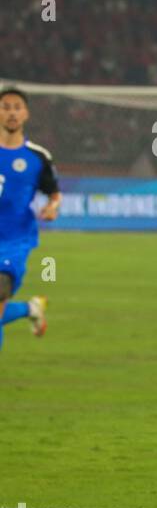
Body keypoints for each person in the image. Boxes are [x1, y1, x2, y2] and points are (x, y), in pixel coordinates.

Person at [0, 87, 57, 351]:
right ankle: (30, 308)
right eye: (6, 107)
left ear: (26, 114)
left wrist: (52, 207)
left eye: (16, 107)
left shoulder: (37, 156)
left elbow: (53, 193)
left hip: (15, 241)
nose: (11, 113)